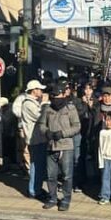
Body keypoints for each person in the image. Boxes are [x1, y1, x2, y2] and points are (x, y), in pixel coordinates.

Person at [38, 81, 80, 211]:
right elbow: (41, 125)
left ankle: (66, 199)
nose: (54, 98)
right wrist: (47, 132)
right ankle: (52, 198)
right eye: (52, 95)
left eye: (57, 95)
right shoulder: (47, 109)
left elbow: (77, 126)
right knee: (51, 175)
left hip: (66, 146)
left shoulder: (70, 109)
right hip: (51, 146)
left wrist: (63, 133)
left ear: (63, 94)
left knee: (67, 175)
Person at [21, 79, 48, 199]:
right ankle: (34, 190)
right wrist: (44, 104)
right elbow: (40, 116)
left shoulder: (33, 102)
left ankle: (35, 188)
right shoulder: (28, 104)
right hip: (35, 139)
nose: (41, 91)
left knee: (38, 165)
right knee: (36, 165)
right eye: (39, 89)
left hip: (38, 138)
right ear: (33, 90)